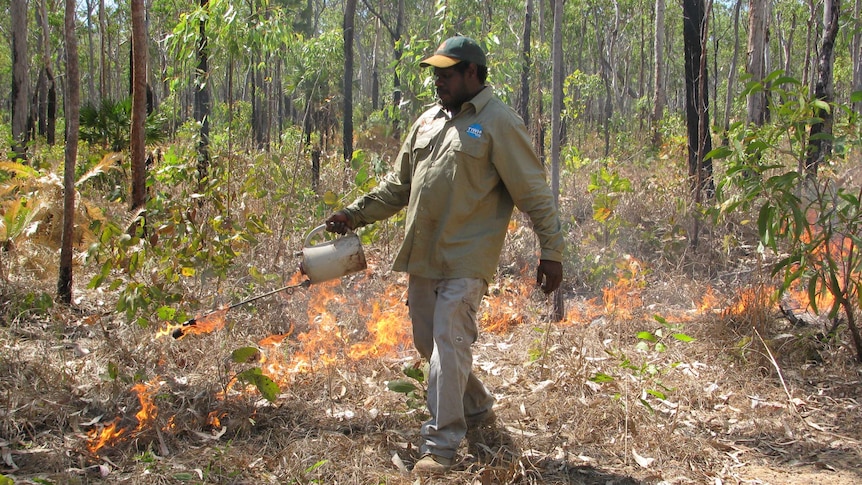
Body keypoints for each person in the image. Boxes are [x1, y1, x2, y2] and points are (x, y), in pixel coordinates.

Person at [324, 35, 564, 474]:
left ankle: (441, 447)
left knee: (449, 345)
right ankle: (476, 408)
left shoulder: (499, 122)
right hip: (424, 256)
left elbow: (535, 194)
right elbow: (397, 188)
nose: (438, 81)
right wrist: (352, 216)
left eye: (447, 73)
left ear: (473, 72)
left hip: (467, 259)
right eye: (436, 73)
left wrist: (551, 251)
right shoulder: (429, 121)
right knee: (428, 344)